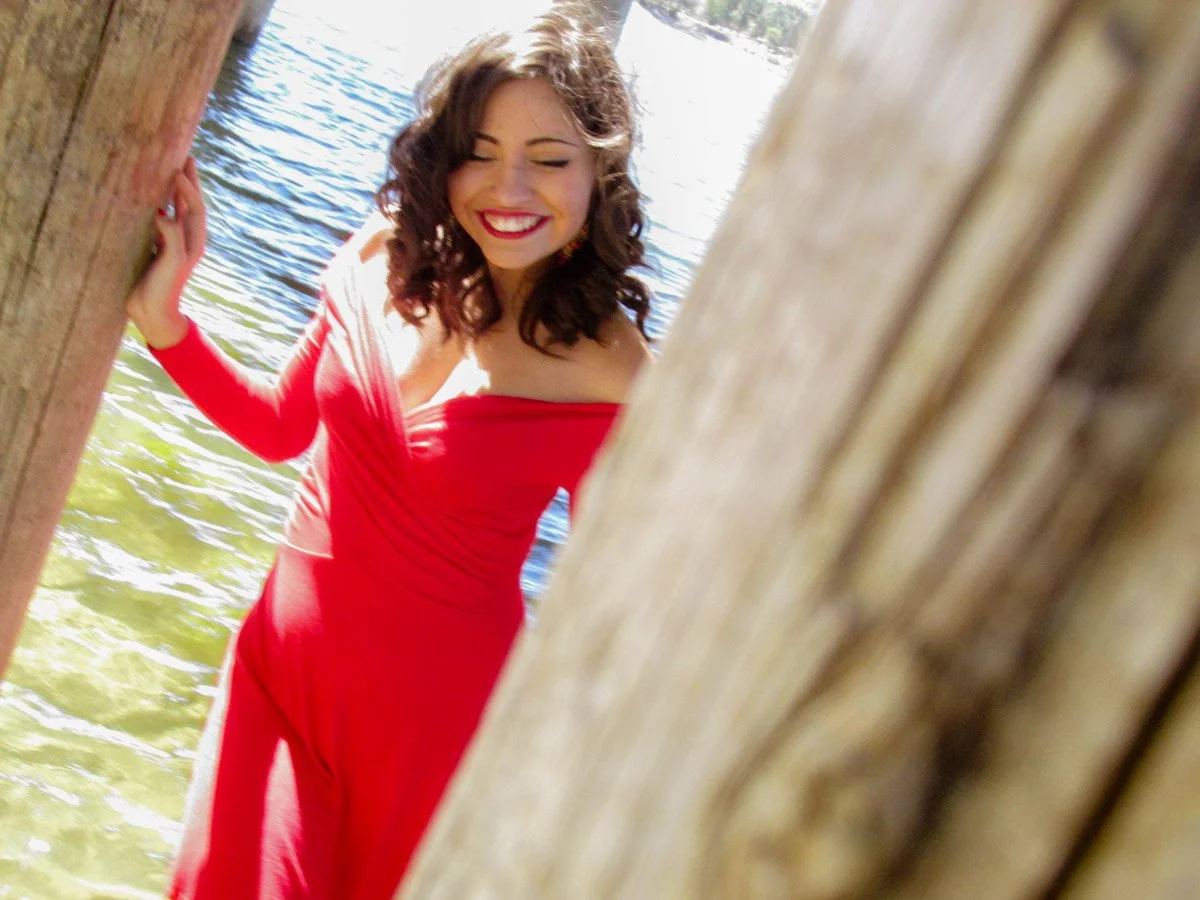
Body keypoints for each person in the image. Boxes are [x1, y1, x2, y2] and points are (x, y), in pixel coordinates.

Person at [126, 6, 652, 897]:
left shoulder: (617, 374)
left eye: (551, 160)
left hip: (429, 747)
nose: (508, 187)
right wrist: (167, 325)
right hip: (277, 683)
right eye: (480, 150)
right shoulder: (377, 260)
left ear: (600, 172)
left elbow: (603, 617)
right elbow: (279, 429)